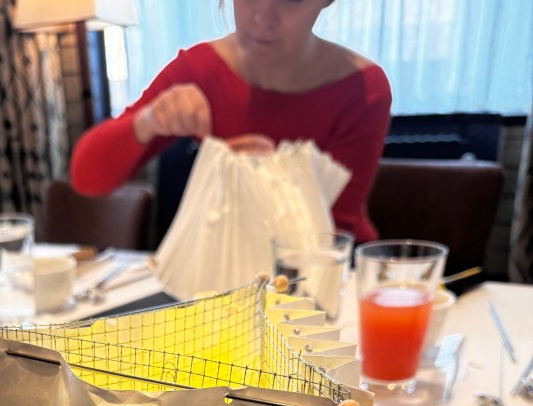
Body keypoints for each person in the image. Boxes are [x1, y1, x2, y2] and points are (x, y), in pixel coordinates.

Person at [70, 0, 391, 241]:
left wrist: (267, 181)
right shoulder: (200, 72)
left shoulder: (363, 90)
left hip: (333, 274)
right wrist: (146, 122)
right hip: (232, 270)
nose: (263, 17)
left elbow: (334, 230)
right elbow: (87, 178)